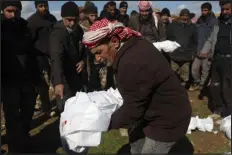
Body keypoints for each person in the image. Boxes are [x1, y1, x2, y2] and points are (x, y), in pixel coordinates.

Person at [82, 18, 191, 154]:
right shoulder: (133, 47)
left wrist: (104, 123)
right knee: (136, 146)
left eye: (99, 52)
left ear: (114, 42)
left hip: (167, 120)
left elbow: (134, 109)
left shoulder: (131, 62)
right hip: (151, 112)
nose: (97, 59)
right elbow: (135, 96)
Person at [1, 1, 40, 152]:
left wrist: (36, 77)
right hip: (8, 80)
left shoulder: (25, 28)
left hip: (27, 79)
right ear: (3, 11)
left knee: (27, 111)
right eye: (9, 11)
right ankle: (14, 146)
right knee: (11, 115)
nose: (13, 15)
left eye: (16, 11)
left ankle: (24, 138)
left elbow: (32, 53)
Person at [49, 2, 86, 113]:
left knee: (78, 106)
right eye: (68, 20)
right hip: (63, 76)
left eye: (75, 20)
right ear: (62, 18)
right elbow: (56, 58)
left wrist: (83, 61)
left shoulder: (79, 30)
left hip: (76, 75)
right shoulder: (56, 34)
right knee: (66, 109)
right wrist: (58, 82)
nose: (72, 23)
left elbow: (84, 49)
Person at [201, 0, 232, 117]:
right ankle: (218, 109)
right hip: (217, 59)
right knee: (215, 85)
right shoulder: (218, 23)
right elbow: (210, 39)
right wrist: (204, 51)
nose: (225, 12)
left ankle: (228, 112)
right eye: (223, 9)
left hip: (229, 60)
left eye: (227, 9)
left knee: (227, 86)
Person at [27, 0, 57, 118]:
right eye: (41, 6)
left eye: (45, 5)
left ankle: (60, 105)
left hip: (53, 57)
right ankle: (46, 109)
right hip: (40, 59)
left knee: (55, 82)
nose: (44, 8)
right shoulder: (32, 22)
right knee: (43, 85)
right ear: (36, 7)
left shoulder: (52, 19)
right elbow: (29, 42)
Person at [167, 8, 197, 87]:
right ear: (180, 16)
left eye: (186, 16)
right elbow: (168, 39)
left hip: (186, 56)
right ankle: (173, 91)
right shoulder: (172, 25)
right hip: (174, 55)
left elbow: (195, 41)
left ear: (189, 17)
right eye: (183, 15)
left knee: (185, 77)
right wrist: (170, 52)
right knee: (173, 76)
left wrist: (193, 53)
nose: (185, 17)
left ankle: (182, 92)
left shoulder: (193, 27)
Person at [190, 2, 217, 92]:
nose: (203, 12)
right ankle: (197, 82)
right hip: (198, 49)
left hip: (207, 50)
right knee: (194, 69)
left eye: (205, 10)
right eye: (202, 10)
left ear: (209, 10)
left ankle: (202, 86)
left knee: (205, 70)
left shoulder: (214, 21)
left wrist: (210, 51)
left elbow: (214, 38)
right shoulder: (199, 20)